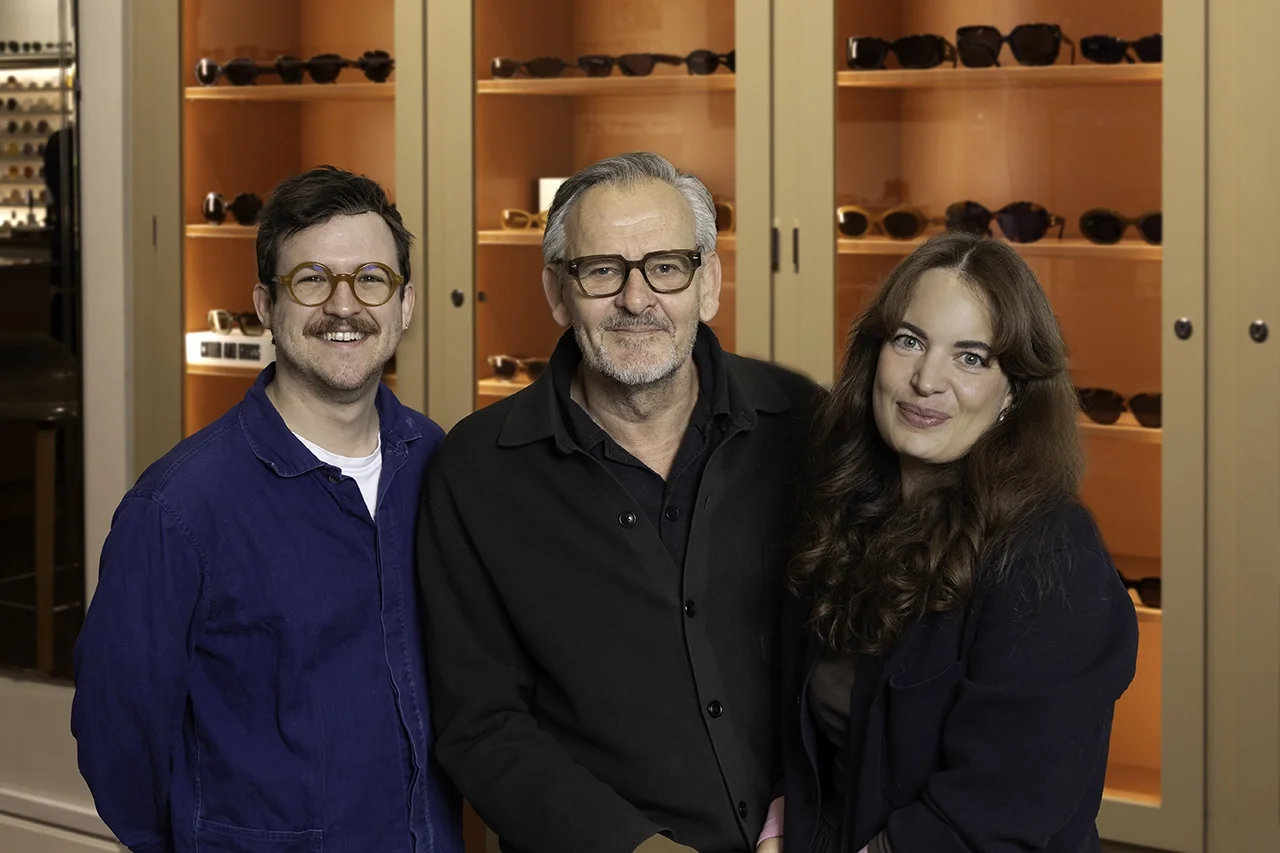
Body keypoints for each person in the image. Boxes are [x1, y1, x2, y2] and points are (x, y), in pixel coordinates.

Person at [418, 151, 823, 853]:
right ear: (557, 291)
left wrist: (808, 804)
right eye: (602, 269)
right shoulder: (477, 470)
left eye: (665, 266)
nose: (636, 300)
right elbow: (481, 724)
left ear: (709, 282)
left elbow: (853, 647)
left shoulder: (805, 423)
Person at [71, 165, 462, 853]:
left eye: (372, 278)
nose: (344, 306)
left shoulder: (436, 461)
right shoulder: (178, 509)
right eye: (311, 279)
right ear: (264, 304)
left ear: (405, 305)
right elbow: (118, 741)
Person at [765, 231, 1140, 853]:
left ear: (1013, 390)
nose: (926, 381)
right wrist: (782, 825)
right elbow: (802, 737)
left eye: (971, 358)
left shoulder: (1053, 556)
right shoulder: (841, 509)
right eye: (910, 342)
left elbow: (998, 811)